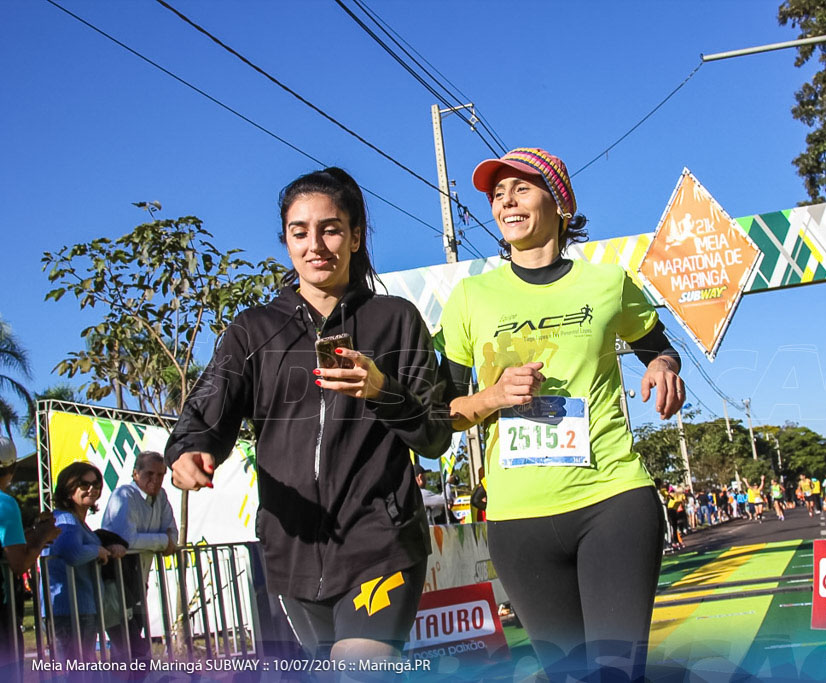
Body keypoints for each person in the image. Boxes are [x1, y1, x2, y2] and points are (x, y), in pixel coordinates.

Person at [165, 167, 452, 662]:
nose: (315, 244)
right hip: (290, 548)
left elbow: (435, 434)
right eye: (300, 232)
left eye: (332, 228)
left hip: (378, 542)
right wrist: (188, 451)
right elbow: (208, 412)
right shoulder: (253, 331)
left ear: (356, 236)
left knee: (363, 666)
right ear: (286, 240)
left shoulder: (396, 320)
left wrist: (382, 390)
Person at [437, 147, 685, 680]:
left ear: (560, 203)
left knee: (617, 672)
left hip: (612, 499)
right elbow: (445, 413)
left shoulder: (606, 283)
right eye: (497, 194)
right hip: (518, 517)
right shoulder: (469, 297)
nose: (506, 200)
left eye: (521, 188)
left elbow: (659, 347)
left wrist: (663, 368)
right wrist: (493, 397)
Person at [100, 451, 178, 661]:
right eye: (150, 473)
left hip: (139, 583)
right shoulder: (124, 495)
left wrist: (164, 541)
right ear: (135, 473)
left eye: (161, 475)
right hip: (114, 585)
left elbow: (174, 536)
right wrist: (162, 541)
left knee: (130, 651)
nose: (156, 479)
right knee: (132, 649)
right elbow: (128, 540)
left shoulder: (161, 497)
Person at [43, 462, 124, 661]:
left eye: (96, 484)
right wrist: (96, 550)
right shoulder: (66, 519)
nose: (92, 489)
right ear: (68, 488)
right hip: (70, 612)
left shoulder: (75, 520)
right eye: (84, 484)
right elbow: (73, 553)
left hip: (80, 610)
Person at [0, 439, 60, 670]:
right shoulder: (5, 504)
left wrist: (31, 534)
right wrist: (43, 536)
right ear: (11, 470)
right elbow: (18, 563)